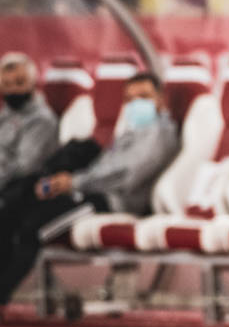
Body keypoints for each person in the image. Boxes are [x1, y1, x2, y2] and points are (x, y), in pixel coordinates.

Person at [0, 70, 178, 308]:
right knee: (11, 214)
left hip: (108, 202)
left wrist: (74, 182)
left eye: (144, 97)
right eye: (130, 99)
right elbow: (103, 168)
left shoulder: (159, 133)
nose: (137, 104)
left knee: (31, 229)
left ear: (161, 99)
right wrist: (65, 182)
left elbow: (126, 175)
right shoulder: (131, 132)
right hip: (86, 192)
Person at [0, 52, 58, 193]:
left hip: (19, 189)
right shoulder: (7, 113)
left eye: (20, 82)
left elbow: (24, 167)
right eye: (7, 84)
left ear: (33, 82)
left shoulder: (42, 120)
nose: (13, 89)